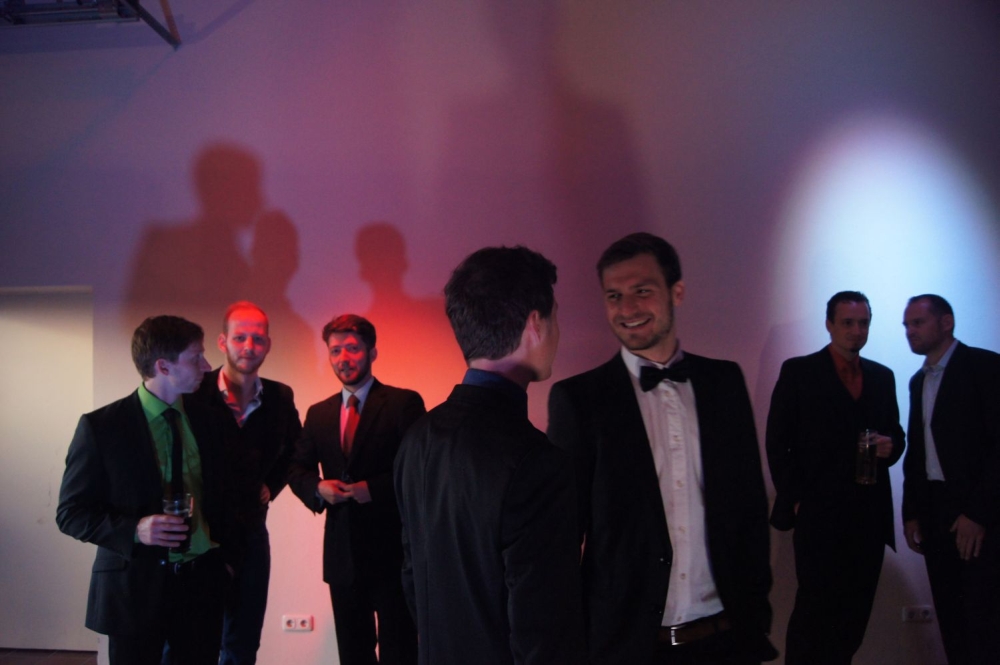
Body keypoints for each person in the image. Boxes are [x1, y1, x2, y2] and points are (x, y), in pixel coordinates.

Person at [548, 232, 776, 665]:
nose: (627, 309)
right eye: (614, 296)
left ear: (677, 292)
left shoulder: (725, 383)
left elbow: (749, 507)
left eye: (642, 291)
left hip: (727, 638)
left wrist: (756, 613)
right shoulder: (578, 400)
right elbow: (562, 535)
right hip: (626, 647)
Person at [394, 246, 583, 665]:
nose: (558, 332)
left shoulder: (416, 439)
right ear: (535, 324)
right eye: (555, 316)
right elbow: (543, 630)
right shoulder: (538, 463)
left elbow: (413, 581)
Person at [56, 315, 231, 665]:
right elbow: (70, 513)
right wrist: (136, 529)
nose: (207, 365)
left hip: (201, 587)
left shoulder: (210, 419)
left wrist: (229, 560)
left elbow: (229, 492)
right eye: (196, 357)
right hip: (133, 588)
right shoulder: (101, 427)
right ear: (163, 366)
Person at [766, 291, 905, 664]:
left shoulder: (882, 377)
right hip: (819, 515)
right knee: (814, 614)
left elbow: (896, 434)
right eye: (847, 323)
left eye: (863, 323)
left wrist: (892, 445)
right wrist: (797, 501)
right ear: (829, 325)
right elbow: (778, 442)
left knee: (854, 616)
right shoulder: (799, 372)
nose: (856, 331)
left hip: (869, 516)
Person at [288, 314, 422, 665]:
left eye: (352, 348)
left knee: (401, 652)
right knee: (353, 654)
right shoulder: (318, 414)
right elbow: (296, 469)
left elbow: (419, 469)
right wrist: (318, 488)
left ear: (372, 352)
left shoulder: (403, 404)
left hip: (394, 553)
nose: (343, 358)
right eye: (335, 351)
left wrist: (373, 488)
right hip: (342, 557)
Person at [201, 302, 302, 665]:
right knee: (192, 641)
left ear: (268, 345)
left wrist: (272, 485)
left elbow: (296, 452)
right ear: (222, 342)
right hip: (201, 536)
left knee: (243, 646)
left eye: (257, 339)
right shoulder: (194, 393)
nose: (249, 346)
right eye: (240, 337)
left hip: (252, 534)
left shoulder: (280, 397)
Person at [901, 294, 1000, 665]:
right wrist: (912, 511)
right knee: (951, 615)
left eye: (918, 323)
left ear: (946, 323)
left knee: (983, 618)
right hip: (935, 510)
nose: (910, 332)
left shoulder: (984, 366)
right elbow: (918, 450)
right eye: (907, 325)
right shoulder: (918, 381)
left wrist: (978, 513)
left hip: (978, 512)